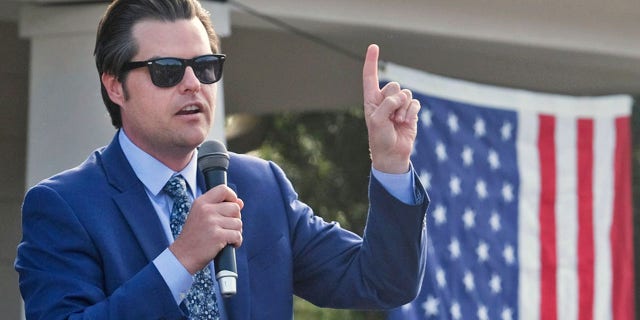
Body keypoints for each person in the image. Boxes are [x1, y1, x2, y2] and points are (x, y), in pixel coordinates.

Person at [15, 0, 429, 319]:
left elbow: (383, 282)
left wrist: (390, 163)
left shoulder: (261, 185)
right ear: (116, 87)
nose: (193, 84)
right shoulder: (63, 206)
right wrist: (181, 259)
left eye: (205, 66)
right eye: (167, 70)